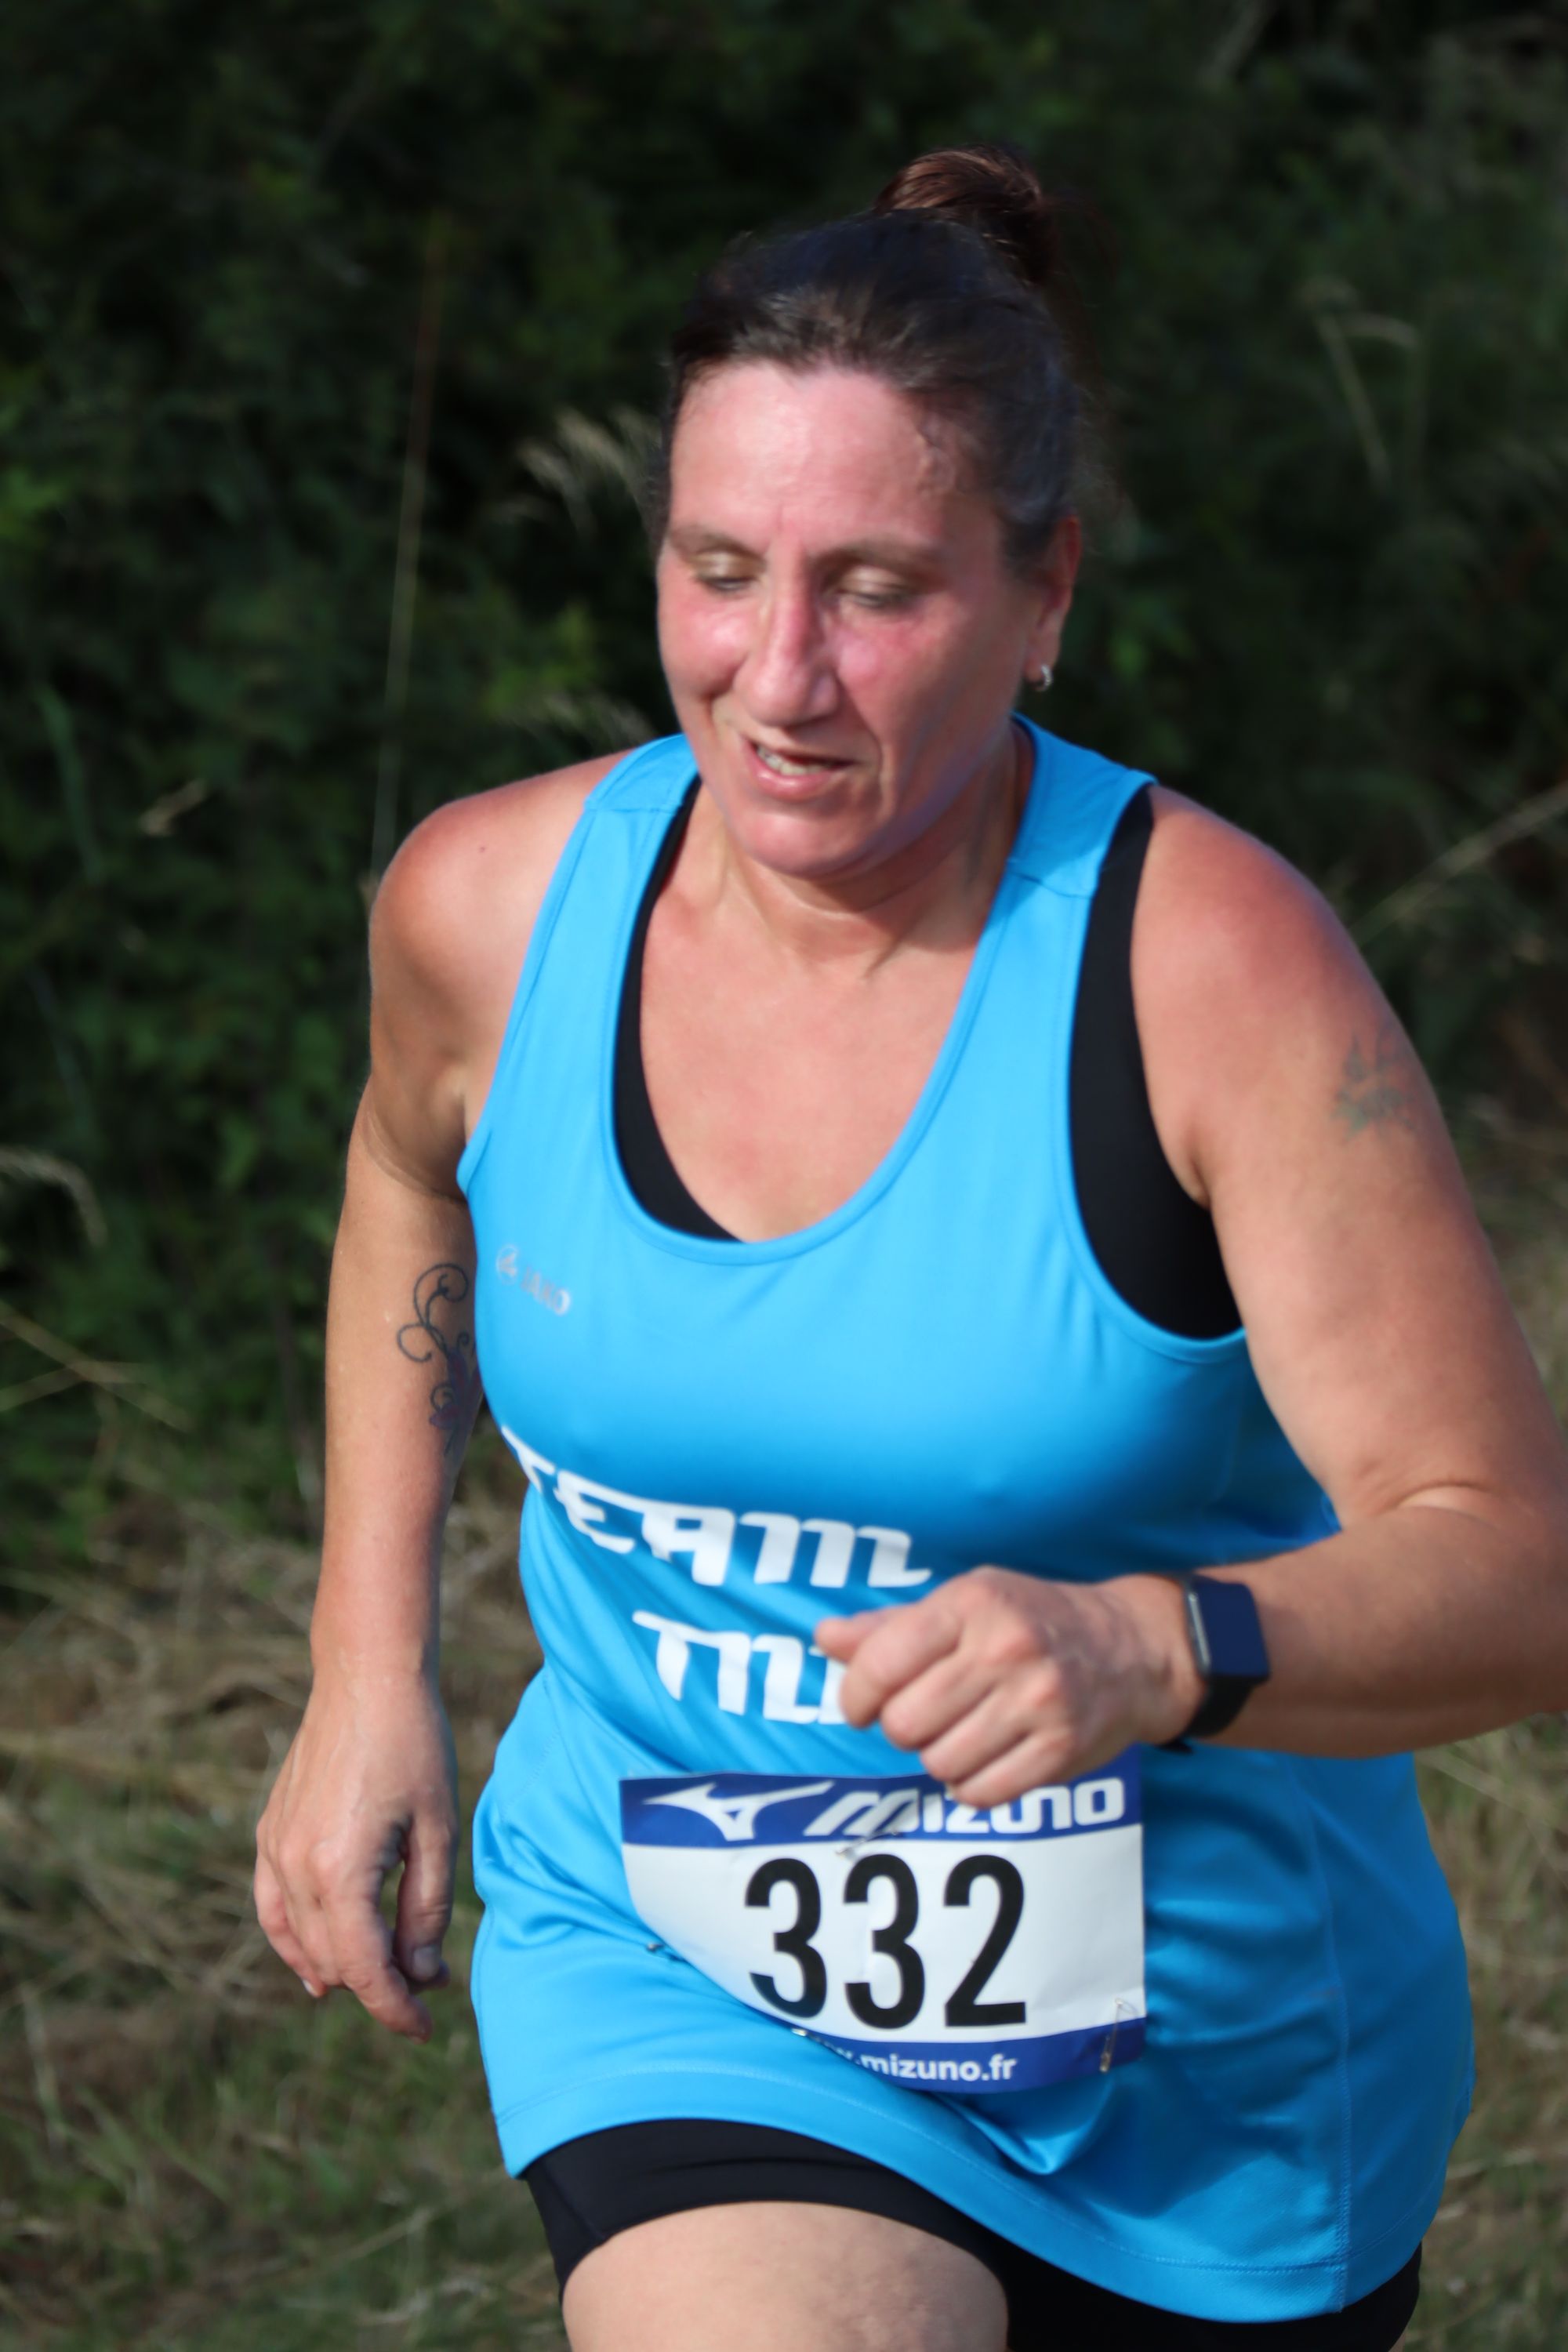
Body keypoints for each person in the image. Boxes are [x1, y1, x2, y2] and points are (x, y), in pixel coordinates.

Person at [254, 146, 1568, 2352]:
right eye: (719, 571)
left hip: (1209, 2089)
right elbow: (410, 1177)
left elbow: (1519, 1572)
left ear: (1046, 594)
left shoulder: (1209, 975)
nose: (778, 677)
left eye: (875, 590)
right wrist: (366, 1664)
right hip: (677, 1962)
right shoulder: (488, 909)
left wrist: (1154, 1647)